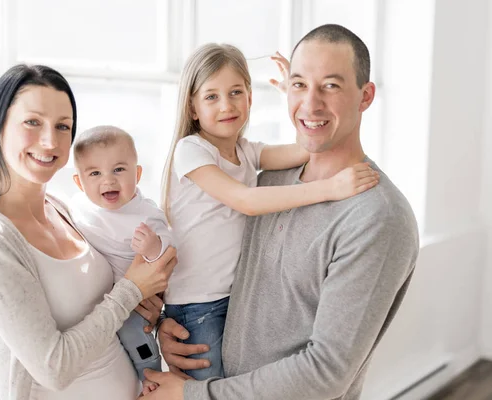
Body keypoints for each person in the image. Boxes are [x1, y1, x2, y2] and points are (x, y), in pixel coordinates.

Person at [145, 24, 420, 400]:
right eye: (299, 84)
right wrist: (172, 324)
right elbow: (225, 270)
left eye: (331, 85)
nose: (310, 103)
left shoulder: (377, 218)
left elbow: (325, 374)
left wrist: (193, 395)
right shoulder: (269, 179)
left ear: (366, 96)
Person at [0, 64, 176, 400]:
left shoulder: (68, 209)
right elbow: (54, 367)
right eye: (33, 122)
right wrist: (133, 289)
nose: (50, 140)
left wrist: (156, 324)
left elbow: (108, 304)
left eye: (62, 126)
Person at [69, 125, 174, 389]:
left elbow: (169, 252)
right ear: (79, 183)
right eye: (95, 173)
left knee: (137, 337)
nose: (108, 180)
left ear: (137, 174)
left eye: (118, 170)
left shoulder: (145, 214)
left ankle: (150, 377)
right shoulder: (78, 208)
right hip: (100, 305)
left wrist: (152, 247)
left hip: (136, 302)